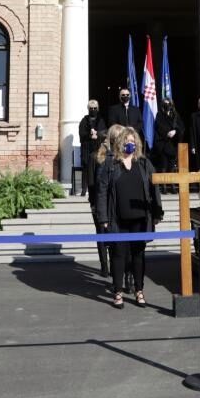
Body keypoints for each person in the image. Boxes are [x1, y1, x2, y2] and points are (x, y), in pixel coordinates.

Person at [95, 124, 162, 308]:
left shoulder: (144, 163)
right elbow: (102, 192)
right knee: (118, 255)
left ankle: (139, 291)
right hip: (118, 218)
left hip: (140, 218)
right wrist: (103, 218)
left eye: (132, 141)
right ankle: (117, 292)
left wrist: (157, 212)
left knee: (138, 255)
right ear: (120, 143)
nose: (129, 144)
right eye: (126, 141)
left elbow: (154, 188)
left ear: (137, 144)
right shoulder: (111, 164)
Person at [79, 100, 107, 272]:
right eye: (91, 108)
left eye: (95, 108)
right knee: (101, 235)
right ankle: (104, 266)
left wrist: (99, 135)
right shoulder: (84, 120)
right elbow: (81, 133)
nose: (93, 110)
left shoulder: (101, 120)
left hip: (108, 203)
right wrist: (90, 134)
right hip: (88, 149)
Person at [152, 96, 184, 171]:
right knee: (163, 167)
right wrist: (167, 133)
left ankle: (172, 182)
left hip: (173, 145)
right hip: (163, 145)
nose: (167, 105)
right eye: (165, 104)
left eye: (168, 103)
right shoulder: (159, 115)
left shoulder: (175, 115)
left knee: (172, 168)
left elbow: (181, 127)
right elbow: (159, 127)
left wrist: (175, 131)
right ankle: (163, 183)